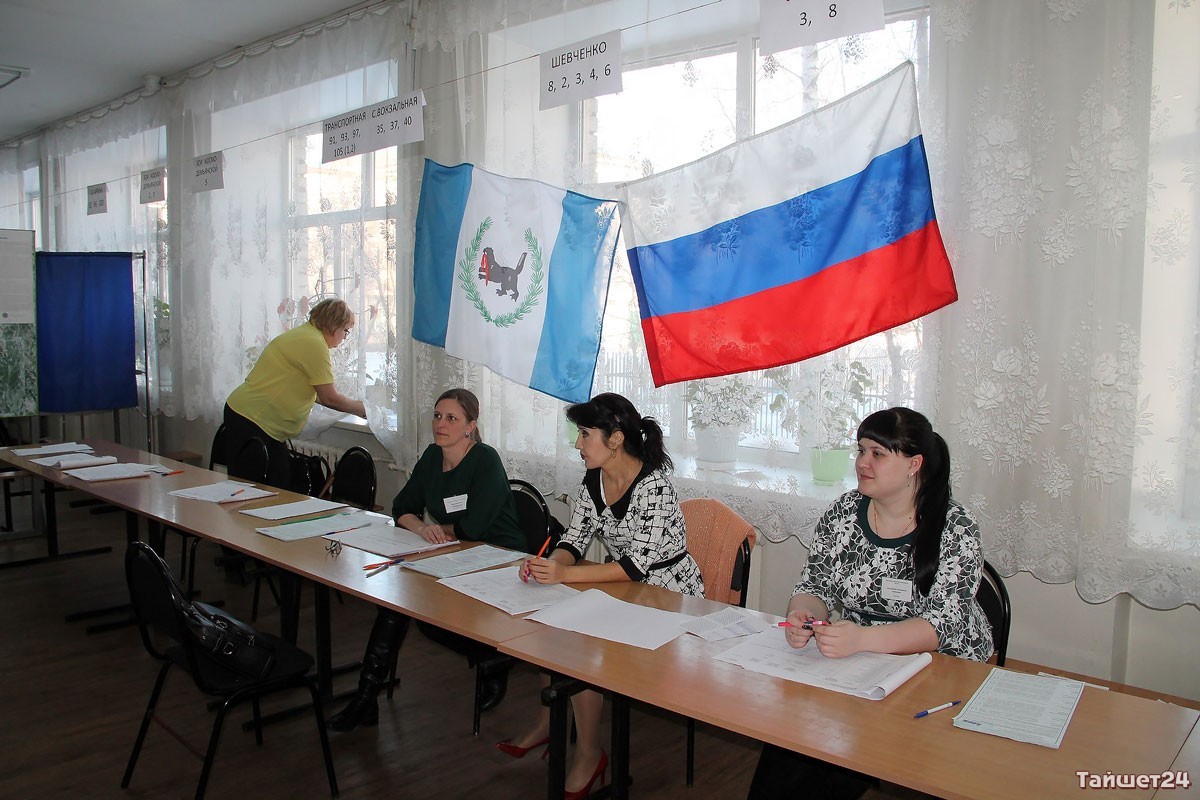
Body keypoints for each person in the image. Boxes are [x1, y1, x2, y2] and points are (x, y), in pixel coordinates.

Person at [747, 406, 993, 800]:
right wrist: (804, 613)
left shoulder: (956, 527)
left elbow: (941, 626)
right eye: (861, 450)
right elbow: (816, 584)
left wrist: (861, 640)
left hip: (942, 669)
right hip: (860, 661)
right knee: (786, 746)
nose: (863, 462)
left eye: (878, 454)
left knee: (845, 760)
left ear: (914, 464)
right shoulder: (844, 512)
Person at [500, 392, 703, 800]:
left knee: (582, 643)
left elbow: (636, 567)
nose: (577, 444)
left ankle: (590, 753)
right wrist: (548, 566)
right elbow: (573, 540)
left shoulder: (655, 488)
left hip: (670, 596)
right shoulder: (593, 478)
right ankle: (548, 723)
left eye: (584, 434)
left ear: (614, 439)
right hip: (627, 590)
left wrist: (564, 575)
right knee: (549, 620)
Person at [326, 388, 526, 732]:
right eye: (437, 416)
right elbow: (402, 506)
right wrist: (422, 529)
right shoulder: (433, 456)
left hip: (499, 557)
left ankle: (492, 657)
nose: (441, 424)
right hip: (455, 553)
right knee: (398, 603)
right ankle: (366, 697)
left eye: (452, 418)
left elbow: (475, 527)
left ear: (470, 426)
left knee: (429, 616)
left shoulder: (485, 460)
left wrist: (442, 530)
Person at [223, 298, 366, 489]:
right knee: (260, 491)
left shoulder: (305, 335)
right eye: (346, 331)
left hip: (251, 418)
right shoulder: (313, 343)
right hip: (252, 419)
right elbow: (329, 397)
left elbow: (314, 391)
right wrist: (364, 409)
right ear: (334, 325)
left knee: (277, 486)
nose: (345, 337)